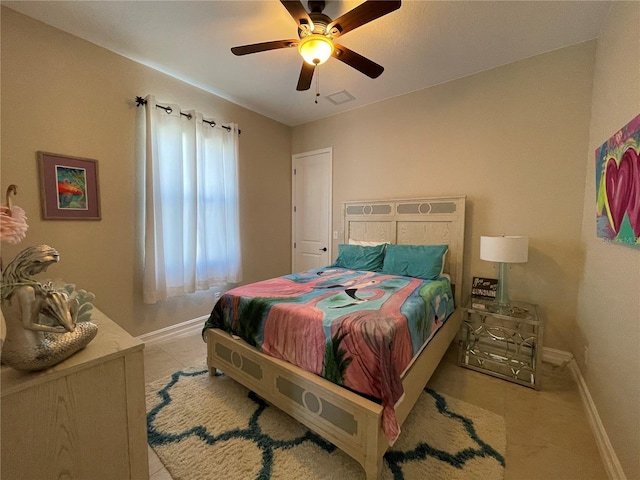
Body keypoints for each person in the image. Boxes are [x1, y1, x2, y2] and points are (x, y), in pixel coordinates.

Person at [0, 245, 97, 371]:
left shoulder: (5, 287)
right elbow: (28, 324)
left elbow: (19, 315)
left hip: (8, 351)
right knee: (89, 328)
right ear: (35, 262)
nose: (45, 270)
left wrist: (41, 297)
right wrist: (57, 329)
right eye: (45, 266)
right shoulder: (27, 290)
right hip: (31, 354)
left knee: (53, 335)